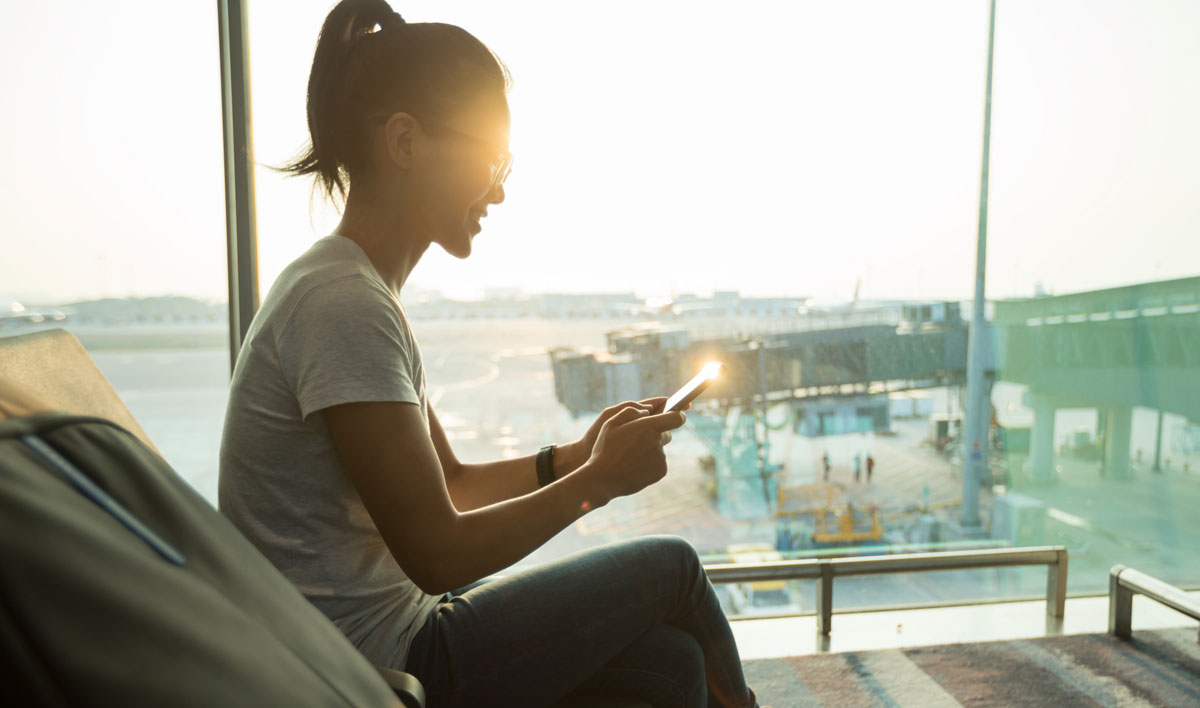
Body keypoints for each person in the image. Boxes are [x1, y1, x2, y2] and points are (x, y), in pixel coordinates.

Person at [217, 3, 763, 707]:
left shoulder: (350, 287)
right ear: (406, 142)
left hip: (389, 635)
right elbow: (439, 555)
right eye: (489, 158)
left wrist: (573, 455)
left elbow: (448, 482)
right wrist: (598, 481)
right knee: (674, 570)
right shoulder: (342, 304)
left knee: (670, 665)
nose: (499, 189)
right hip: (375, 667)